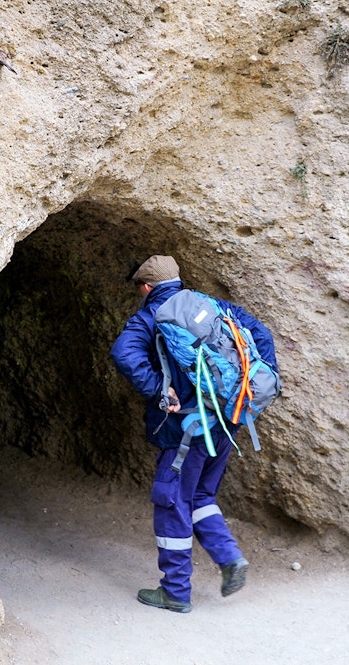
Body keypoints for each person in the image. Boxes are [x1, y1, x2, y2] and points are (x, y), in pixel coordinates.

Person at [110, 254, 278, 613]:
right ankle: (230, 559)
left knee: (171, 501)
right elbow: (260, 334)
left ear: (145, 287)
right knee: (200, 496)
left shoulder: (149, 317)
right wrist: (243, 393)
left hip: (185, 429)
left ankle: (175, 591)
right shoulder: (210, 305)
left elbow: (123, 353)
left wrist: (159, 389)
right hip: (226, 423)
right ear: (177, 280)